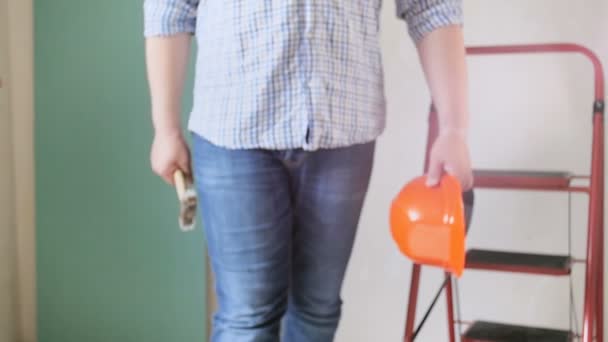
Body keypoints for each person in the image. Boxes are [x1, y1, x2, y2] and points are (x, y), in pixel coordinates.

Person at [143, 0, 473, 341]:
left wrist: (453, 130)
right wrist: (165, 128)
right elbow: (169, 9)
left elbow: (432, 8)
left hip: (344, 133)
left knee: (318, 310)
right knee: (247, 317)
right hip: (233, 129)